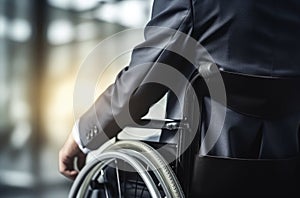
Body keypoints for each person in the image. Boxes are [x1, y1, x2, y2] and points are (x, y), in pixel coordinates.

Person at [59, 0, 300, 196]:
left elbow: (145, 82)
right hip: (288, 164)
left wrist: (83, 133)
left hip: (203, 171)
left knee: (110, 178)